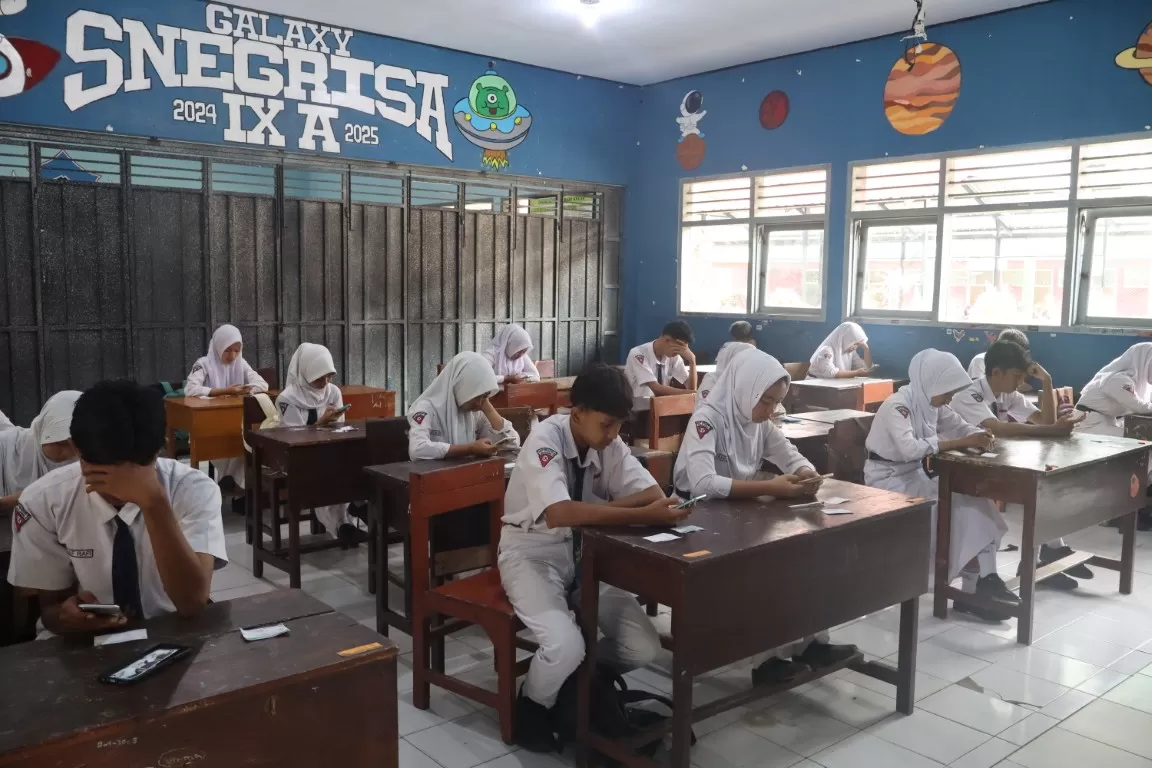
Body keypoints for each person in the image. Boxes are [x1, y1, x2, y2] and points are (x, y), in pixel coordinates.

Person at [499, 363, 686, 752]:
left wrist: (642, 509)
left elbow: (652, 494)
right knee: (565, 645)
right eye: (607, 424)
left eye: (619, 425)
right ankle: (532, 706)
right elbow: (559, 513)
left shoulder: (608, 444)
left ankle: (578, 683)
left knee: (642, 645)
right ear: (577, 411)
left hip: (585, 555)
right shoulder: (545, 440)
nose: (614, 434)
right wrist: (632, 513)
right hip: (531, 554)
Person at [673, 349, 857, 682]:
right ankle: (766, 660)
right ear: (746, 389)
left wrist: (806, 473)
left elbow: (789, 454)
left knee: (805, 555)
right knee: (768, 567)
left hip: (738, 512)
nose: (770, 410)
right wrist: (770, 487)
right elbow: (702, 483)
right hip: (698, 517)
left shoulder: (757, 422)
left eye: (776, 403)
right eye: (766, 401)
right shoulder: (707, 419)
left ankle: (813, 643)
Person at [7, 380, 227, 636]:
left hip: (168, 631)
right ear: (76, 448)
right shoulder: (43, 502)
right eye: (103, 476)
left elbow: (192, 604)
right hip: (81, 643)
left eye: (133, 477)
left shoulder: (193, 489)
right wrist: (67, 617)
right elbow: (51, 609)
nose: (121, 492)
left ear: (160, 450)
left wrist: (154, 502)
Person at [864, 350, 1014, 623]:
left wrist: (979, 435)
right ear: (931, 382)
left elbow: (960, 426)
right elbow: (909, 449)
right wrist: (960, 443)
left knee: (977, 502)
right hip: (887, 480)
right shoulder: (898, 405)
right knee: (955, 508)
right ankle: (975, 585)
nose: (949, 399)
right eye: (947, 392)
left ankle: (982, 584)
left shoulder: (933, 405)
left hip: (915, 475)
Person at [950, 340, 1089, 589]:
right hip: (959, 470)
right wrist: (1053, 431)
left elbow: (1044, 421)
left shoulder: (1008, 395)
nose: (1021, 382)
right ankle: (984, 582)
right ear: (996, 372)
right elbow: (998, 429)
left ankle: (1045, 556)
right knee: (987, 517)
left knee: (1046, 492)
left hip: (992, 464)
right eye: (1016, 375)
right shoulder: (968, 395)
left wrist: (1047, 382)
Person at [275, 343, 366, 546]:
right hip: (299, 455)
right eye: (319, 378)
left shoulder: (332, 392)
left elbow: (340, 427)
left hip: (328, 449)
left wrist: (335, 421)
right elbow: (294, 436)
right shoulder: (287, 398)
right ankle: (342, 524)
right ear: (306, 374)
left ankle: (354, 509)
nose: (325, 382)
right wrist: (320, 423)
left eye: (329, 376)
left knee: (353, 462)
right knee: (325, 470)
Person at [183, 325, 269, 502]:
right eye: (228, 350)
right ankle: (234, 485)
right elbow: (190, 389)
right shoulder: (203, 364)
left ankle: (235, 487)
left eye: (237, 350)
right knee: (233, 445)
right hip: (207, 426)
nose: (232, 355)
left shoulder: (241, 363)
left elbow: (262, 384)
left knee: (246, 443)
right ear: (218, 347)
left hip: (235, 424)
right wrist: (224, 391)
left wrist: (247, 389)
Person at [1075, 342, 1152, 530]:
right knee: (1142, 449)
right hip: (1088, 426)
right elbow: (1140, 407)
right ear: (1144, 360)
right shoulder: (1118, 380)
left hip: (1105, 423)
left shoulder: (1137, 382)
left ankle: (1133, 503)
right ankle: (1127, 508)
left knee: (1143, 447)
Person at [407, 351, 521, 461]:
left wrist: (487, 407)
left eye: (485, 396)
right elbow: (417, 449)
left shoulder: (476, 412)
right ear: (461, 388)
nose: (479, 403)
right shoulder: (427, 407)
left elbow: (512, 444)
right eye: (476, 396)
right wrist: (469, 449)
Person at [0, 391, 82, 512]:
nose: (69, 453)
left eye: (76, 447)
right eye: (60, 444)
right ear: (42, 431)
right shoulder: (6, 449)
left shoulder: (84, 464)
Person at [624, 320, 698, 397]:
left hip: (661, 403)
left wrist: (692, 360)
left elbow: (691, 390)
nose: (680, 352)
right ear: (667, 340)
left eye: (684, 348)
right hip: (637, 403)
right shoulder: (638, 353)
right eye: (678, 347)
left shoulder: (674, 357)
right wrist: (694, 393)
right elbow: (656, 389)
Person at [808, 322, 873, 379]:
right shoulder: (826, 350)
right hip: (815, 383)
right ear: (846, 339)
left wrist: (866, 349)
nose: (855, 347)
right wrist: (857, 373)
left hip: (833, 384)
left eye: (857, 344)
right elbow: (829, 372)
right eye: (854, 344)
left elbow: (866, 369)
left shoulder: (849, 351)